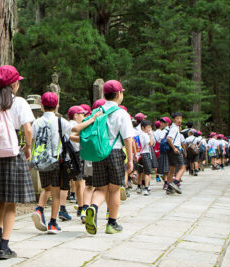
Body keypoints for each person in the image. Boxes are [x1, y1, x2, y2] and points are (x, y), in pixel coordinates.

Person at [0, 65, 35, 259]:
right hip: (11, 153)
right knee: (11, 201)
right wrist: (28, 146)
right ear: (15, 83)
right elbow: (27, 129)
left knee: (0, 198)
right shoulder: (19, 103)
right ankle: (4, 246)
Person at [72, 80, 134, 235]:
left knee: (100, 188)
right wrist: (131, 160)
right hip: (115, 153)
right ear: (119, 93)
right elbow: (127, 138)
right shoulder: (121, 113)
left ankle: (92, 207)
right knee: (114, 189)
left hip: (98, 154)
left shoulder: (96, 112)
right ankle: (112, 224)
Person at [31, 92, 73, 234]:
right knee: (56, 192)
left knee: (46, 189)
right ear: (57, 106)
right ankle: (53, 223)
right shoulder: (61, 121)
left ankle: (39, 208)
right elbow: (75, 130)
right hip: (56, 161)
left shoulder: (36, 122)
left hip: (42, 160)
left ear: (42, 106)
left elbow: (33, 140)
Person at [164, 113, 186, 194]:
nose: (179, 120)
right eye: (177, 118)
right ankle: (175, 182)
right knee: (182, 167)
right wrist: (174, 148)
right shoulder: (174, 128)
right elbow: (168, 138)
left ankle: (169, 188)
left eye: (180, 118)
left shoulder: (174, 127)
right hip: (175, 149)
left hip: (171, 150)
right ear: (173, 119)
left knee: (172, 169)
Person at [135, 120, 154, 195]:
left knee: (140, 172)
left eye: (150, 127)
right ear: (143, 127)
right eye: (148, 127)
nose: (149, 129)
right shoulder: (145, 135)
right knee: (147, 172)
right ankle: (146, 188)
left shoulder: (138, 134)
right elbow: (150, 144)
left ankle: (139, 187)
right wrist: (151, 136)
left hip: (139, 155)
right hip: (146, 154)